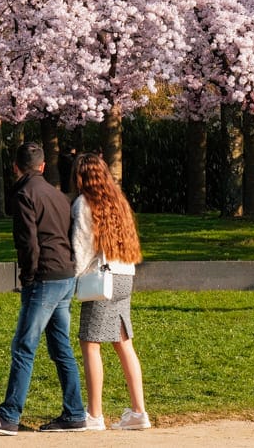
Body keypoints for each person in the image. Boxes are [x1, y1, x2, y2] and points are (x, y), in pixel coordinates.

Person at [0, 142, 86, 435]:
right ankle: (75, 413)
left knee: (24, 346)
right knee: (61, 348)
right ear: (43, 166)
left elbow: (28, 243)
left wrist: (28, 277)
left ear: (15, 167)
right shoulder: (58, 195)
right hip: (65, 275)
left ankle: (9, 415)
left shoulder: (24, 194)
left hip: (44, 278)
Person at [70, 152, 150, 431]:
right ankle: (139, 411)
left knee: (90, 344)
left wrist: (71, 278)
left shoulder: (83, 203)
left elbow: (82, 248)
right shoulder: (119, 201)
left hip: (100, 280)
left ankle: (94, 414)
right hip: (125, 276)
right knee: (123, 342)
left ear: (80, 177)